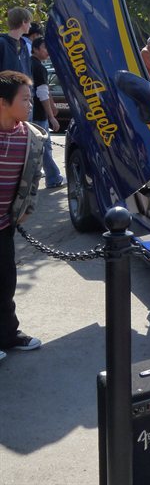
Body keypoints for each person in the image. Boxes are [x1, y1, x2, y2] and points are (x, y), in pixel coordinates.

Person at [0, 70, 46, 362]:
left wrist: (27, 209)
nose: (30, 105)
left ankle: (8, 335)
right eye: (25, 99)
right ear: (3, 102)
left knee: (5, 282)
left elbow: (34, 177)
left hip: (4, 225)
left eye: (30, 99)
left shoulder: (32, 136)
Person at [30, 38, 64, 189]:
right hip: (38, 114)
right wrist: (51, 117)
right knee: (44, 147)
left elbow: (45, 90)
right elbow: (42, 93)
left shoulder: (29, 64)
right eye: (45, 48)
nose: (48, 51)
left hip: (31, 113)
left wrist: (52, 105)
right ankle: (53, 178)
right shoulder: (38, 67)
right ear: (35, 49)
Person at [0, 7, 33, 77]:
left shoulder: (24, 45)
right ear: (23, 22)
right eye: (29, 22)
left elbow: (28, 72)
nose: (30, 26)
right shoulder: (2, 43)